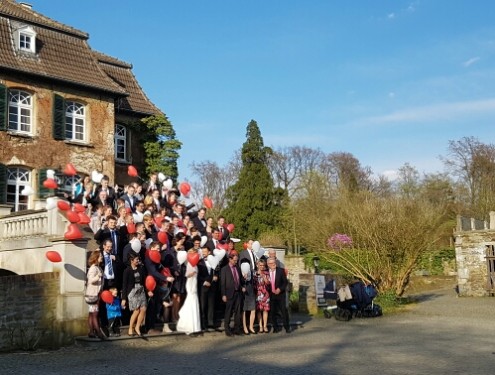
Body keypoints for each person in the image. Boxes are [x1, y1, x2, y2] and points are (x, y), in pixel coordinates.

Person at [121, 252, 150, 336]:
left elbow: (145, 281)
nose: (138, 261)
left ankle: (137, 327)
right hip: (132, 292)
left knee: (144, 308)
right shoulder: (127, 271)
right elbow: (124, 284)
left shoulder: (141, 269)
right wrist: (123, 298)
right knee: (136, 310)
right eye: (136, 259)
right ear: (131, 260)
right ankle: (130, 328)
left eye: (138, 259)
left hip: (141, 290)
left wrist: (148, 290)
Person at [176, 249, 202, 335]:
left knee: (194, 304)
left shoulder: (195, 263)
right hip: (190, 283)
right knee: (191, 302)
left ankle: (195, 327)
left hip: (194, 284)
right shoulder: (189, 264)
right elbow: (186, 275)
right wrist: (192, 274)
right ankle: (190, 327)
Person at [220, 251, 243, 336]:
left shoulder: (237, 268)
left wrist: (242, 287)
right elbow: (222, 283)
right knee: (228, 312)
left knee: (238, 311)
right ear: (230, 259)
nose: (235, 262)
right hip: (229, 293)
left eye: (236, 260)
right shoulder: (224, 269)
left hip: (238, 293)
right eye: (234, 260)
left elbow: (239, 280)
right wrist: (223, 294)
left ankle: (237, 329)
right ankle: (227, 329)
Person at [85, 250, 105, 340]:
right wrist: (98, 276)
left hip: (95, 294)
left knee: (91, 313)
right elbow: (91, 280)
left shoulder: (98, 267)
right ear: (96, 258)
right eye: (100, 256)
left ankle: (91, 331)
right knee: (94, 313)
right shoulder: (93, 268)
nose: (102, 257)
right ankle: (98, 331)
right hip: (92, 295)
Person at [267, 258, 291, 333]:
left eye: (274, 262)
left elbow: (285, 282)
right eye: (271, 263)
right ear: (268, 264)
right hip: (271, 295)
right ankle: (275, 327)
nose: (273, 264)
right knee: (273, 312)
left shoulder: (281, 270)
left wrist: (280, 289)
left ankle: (287, 327)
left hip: (280, 294)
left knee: (283, 311)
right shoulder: (266, 272)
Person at [197, 246, 216, 331]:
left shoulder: (214, 260)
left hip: (212, 286)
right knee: (203, 305)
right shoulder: (199, 262)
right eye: (203, 251)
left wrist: (215, 276)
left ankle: (210, 323)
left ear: (209, 252)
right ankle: (202, 323)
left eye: (205, 251)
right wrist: (205, 281)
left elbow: (216, 271)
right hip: (203, 286)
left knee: (211, 305)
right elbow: (198, 275)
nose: (204, 253)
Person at [254, 258, 271, 333]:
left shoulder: (267, 273)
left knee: (265, 310)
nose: (261, 267)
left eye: (263, 265)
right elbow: (253, 284)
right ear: (257, 265)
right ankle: (260, 326)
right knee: (259, 310)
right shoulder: (254, 273)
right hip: (258, 294)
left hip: (265, 294)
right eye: (260, 265)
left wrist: (265, 279)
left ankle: (265, 326)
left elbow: (268, 284)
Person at [241, 259, 256, 334]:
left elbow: (253, 281)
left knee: (253, 308)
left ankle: (251, 326)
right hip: (243, 291)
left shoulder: (251, 272)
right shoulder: (239, 272)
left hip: (250, 290)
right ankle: (244, 327)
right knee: (244, 310)